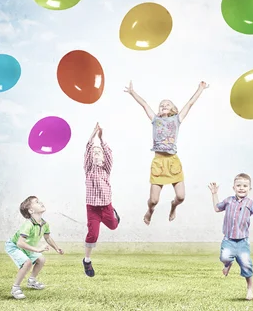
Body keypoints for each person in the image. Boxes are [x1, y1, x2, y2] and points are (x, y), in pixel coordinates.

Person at [124, 80, 208, 225]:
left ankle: (173, 206)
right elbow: (144, 104)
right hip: (158, 162)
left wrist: (200, 89)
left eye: (167, 104)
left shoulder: (177, 119)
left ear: (173, 109)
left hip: (173, 161)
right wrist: (132, 93)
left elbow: (189, 104)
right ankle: (150, 211)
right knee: (154, 200)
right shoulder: (155, 119)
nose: (163, 105)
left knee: (181, 197)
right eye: (161, 104)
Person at [208, 173, 253, 301]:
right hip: (228, 239)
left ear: (249, 188)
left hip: (243, 242)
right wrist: (214, 193)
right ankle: (228, 264)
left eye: (245, 186)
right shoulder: (228, 201)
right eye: (238, 185)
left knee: (246, 264)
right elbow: (217, 208)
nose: (241, 188)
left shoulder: (250, 204)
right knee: (224, 257)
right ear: (233, 187)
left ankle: (250, 288)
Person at [4, 196, 64, 300]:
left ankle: (31, 281)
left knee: (41, 259)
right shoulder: (28, 225)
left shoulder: (44, 224)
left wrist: (56, 248)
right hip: (14, 246)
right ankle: (15, 288)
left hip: (25, 247)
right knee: (27, 263)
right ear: (31, 210)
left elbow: (47, 237)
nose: (41, 202)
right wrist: (37, 249)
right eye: (37, 202)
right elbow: (20, 243)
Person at [83, 122, 120, 277]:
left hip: (106, 206)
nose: (96, 152)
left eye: (99, 151)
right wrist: (92, 136)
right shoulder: (89, 169)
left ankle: (113, 213)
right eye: (94, 151)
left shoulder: (106, 169)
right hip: (92, 208)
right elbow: (88, 149)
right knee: (93, 234)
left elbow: (109, 154)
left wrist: (101, 138)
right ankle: (86, 260)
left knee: (113, 226)